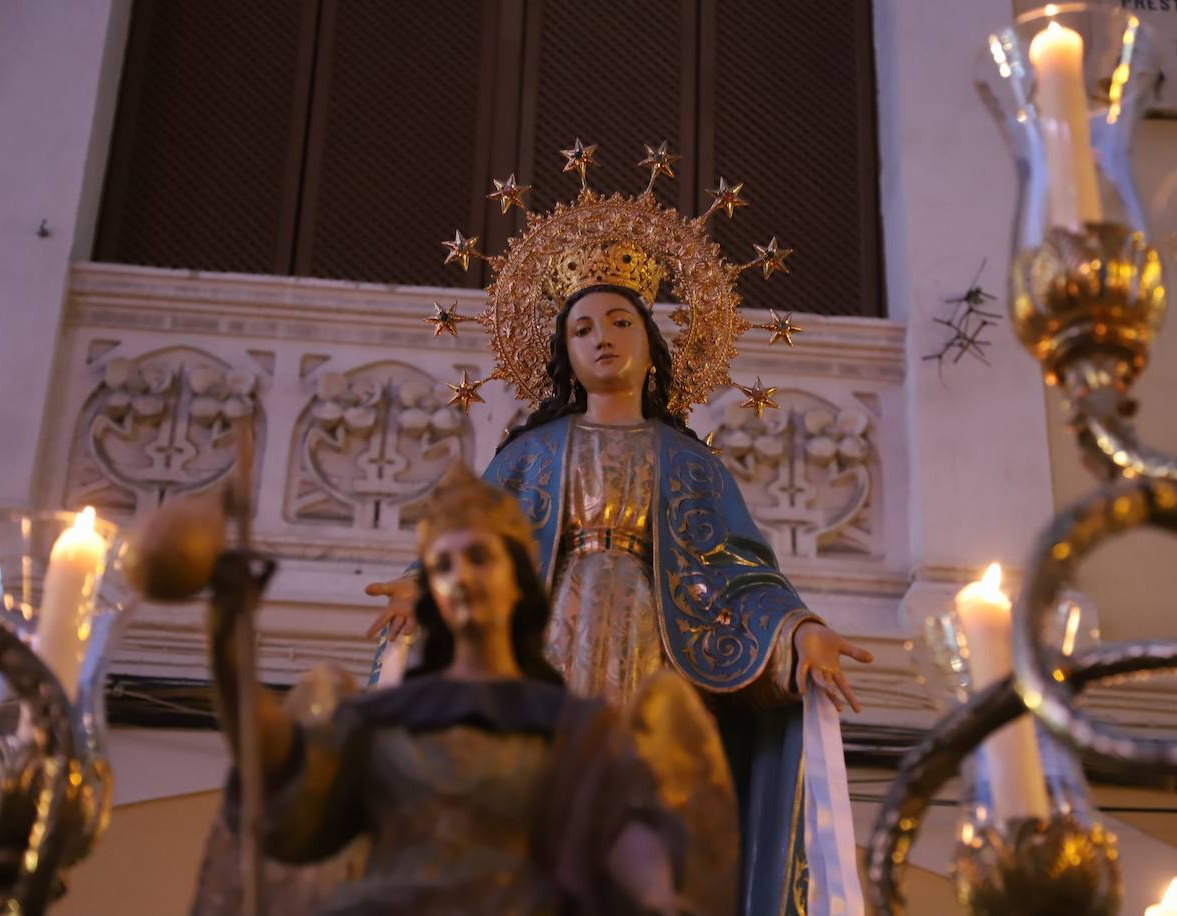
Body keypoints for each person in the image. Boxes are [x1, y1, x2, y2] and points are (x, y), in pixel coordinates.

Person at [368, 200, 874, 913]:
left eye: (619, 322)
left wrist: (797, 630)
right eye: (581, 328)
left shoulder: (689, 464)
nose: (602, 338)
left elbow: (740, 576)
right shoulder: (531, 454)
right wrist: (424, 591)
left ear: (651, 343)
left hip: (655, 645)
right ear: (564, 356)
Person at [206, 464, 704, 915]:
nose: (461, 577)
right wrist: (228, 655)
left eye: (479, 558)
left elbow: (624, 825)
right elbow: (287, 774)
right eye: (442, 567)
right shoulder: (383, 717)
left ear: (519, 580)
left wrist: (656, 894)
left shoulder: (576, 726)